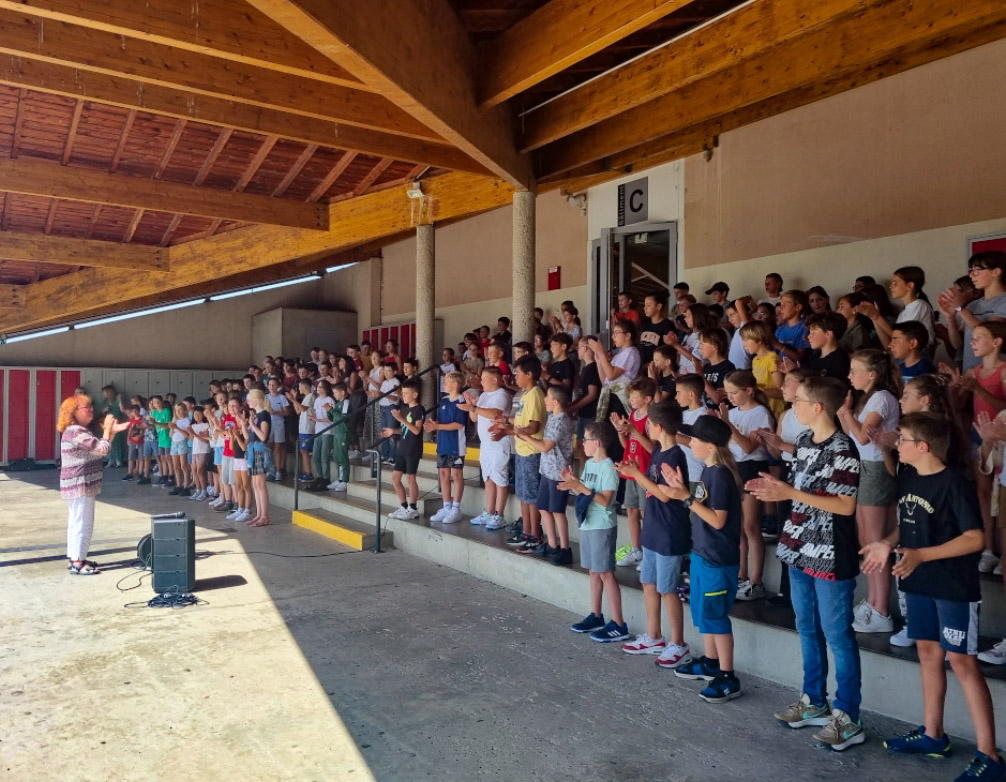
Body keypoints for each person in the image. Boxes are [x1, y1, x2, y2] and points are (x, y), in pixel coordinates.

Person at [861, 413, 1005, 782]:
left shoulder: (954, 483)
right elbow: (905, 525)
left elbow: (975, 539)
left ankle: (989, 756)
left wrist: (922, 555)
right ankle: (932, 734)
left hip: (953, 586)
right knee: (927, 653)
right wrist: (886, 543)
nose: (897, 442)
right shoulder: (909, 477)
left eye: (903, 438)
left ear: (922, 447)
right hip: (917, 580)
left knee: (962, 662)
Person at [748, 377, 863, 750]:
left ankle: (848, 717)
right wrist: (773, 488)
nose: (792, 406)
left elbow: (845, 505)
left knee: (837, 634)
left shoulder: (844, 447)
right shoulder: (802, 442)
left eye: (798, 401)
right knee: (807, 628)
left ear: (817, 407)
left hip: (830, 553)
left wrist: (788, 492)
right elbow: (801, 491)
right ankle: (814, 700)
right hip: (797, 548)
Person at [663, 415, 743, 703]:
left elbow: (718, 520)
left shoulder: (720, 474)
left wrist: (686, 497)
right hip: (703, 554)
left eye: (695, 439)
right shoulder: (709, 471)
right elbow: (697, 505)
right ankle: (711, 662)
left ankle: (728, 675)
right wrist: (680, 490)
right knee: (703, 611)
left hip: (718, 559)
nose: (691, 442)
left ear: (710, 446)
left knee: (716, 615)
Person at [618, 402, 693, 668]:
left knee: (667, 589)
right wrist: (635, 468)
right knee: (649, 583)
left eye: (648, 423)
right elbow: (652, 452)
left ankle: (679, 644)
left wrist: (637, 474)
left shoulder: (675, 456)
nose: (645, 427)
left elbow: (663, 493)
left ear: (658, 426)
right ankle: (654, 636)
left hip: (669, 531)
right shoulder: (661, 448)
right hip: (653, 528)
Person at [839, 349, 901, 633]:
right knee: (865, 537)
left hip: (877, 470)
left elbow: (864, 435)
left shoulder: (882, 397)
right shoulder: (870, 398)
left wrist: (848, 413)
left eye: (855, 370)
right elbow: (853, 435)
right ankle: (873, 602)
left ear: (872, 374)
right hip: (865, 466)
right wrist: (845, 414)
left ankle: (882, 610)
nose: (850, 376)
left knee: (875, 541)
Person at [944, 321, 1006, 574]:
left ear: (996, 342)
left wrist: (978, 389)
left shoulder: (1003, 371)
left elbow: (1005, 409)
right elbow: (957, 406)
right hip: (979, 436)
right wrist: (953, 385)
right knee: (982, 493)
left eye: (979, 337)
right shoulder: (973, 371)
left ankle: (1002, 553)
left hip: (1002, 436)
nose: (973, 342)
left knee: (1000, 494)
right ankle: (988, 549)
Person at [562, 423, 627, 642]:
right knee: (593, 571)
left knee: (605, 573)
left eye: (586, 440)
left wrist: (582, 488)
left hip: (602, 525)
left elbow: (606, 501)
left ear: (597, 443)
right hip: (588, 523)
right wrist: (573, 484)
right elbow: (583, 491)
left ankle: (619, 623)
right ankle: (596, 614)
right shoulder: (589, 464)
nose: (583, 443)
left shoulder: (608, 468)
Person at [58, 394, 127, 575]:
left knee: (76, 522)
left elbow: (96, 451)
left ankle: (74, 558)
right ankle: (78, 563)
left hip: (77, 484)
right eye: (86, 407)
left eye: (91, 406)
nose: (91, 410)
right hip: (81, 483)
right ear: (74, 412)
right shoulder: (76, 431)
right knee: (83, 523)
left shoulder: (76, 431)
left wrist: (110, 433)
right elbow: (101, 449)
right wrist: (108, 430)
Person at [720, 370, 774, 601]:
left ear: (749, 391)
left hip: (752, 468)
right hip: (734, 468)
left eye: (734, 392)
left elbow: (749, 448)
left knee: (751, 526)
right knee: (738, 526)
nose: (730, 397)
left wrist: (728, 424)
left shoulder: (760, 413)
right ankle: (741, 574)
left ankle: (757, 580)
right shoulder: (732, 412)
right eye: (728, 392)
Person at [515, 386, 576, 565]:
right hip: (547, 470)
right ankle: (551, 544)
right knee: (543, 507)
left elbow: (545, 446)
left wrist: (524, 436)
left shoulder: (561, 420)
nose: (545, 401)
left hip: (559, 473)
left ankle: (565, 549)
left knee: (557, 511)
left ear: (555, 402)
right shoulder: (552, 417)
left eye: (547, 398)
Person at [611, 377, 657, 569]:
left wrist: (634, 431)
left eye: (634, 396)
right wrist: (620, 431)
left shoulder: (652, 418)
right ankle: (636, 549)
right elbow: (627, 445)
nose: (631, 400)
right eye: (630, 396)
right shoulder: (633, 416)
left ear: (647, 399)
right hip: (630, 469)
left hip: (645, 471)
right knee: (630, 509)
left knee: (646, 512)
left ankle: (649, 552)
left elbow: (653, 448)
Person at [501, 357, 545, 539]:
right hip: (521, 451)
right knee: (523, 495)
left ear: (529, 374)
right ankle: (526, 531)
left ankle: (534, 534)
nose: (515, 377)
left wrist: (509, 432)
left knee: (531, 497)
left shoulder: (535, 394)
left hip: (531, 453)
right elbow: (520, 421)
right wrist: (504, 423)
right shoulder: (525, 394)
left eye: (518, 373)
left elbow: (533, 427)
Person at [939, 251, 1006, 371]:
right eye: (971, 270)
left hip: (995, 376)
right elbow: (958, 344)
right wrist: (950, 317)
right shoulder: (973, 305)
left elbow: (990, 335)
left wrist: (960, 308)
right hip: (970, 374)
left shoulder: (1003, 301)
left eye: (977, 270)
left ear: (996, 272)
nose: (971, 275)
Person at [462, 367, 512, 528]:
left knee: (500, 478)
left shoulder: (502, 395)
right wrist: (471, 406)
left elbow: (495, 414)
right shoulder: (483, 395)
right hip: (486, 444)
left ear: (495, 380)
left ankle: (499, 514)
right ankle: (489, 512)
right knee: (488, 478)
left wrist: (474, 408)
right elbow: (474, 417)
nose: (481, 381)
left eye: (484, 378)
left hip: (498, 443)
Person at [426, 370, 468, 524]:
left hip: (456, 444)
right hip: (443, 442)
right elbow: (440, 422)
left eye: (447, 382)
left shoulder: (462, 401)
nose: (444, 384)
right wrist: (433, 424)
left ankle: (456, 508)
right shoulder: (443, 401)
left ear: (456, 384)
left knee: (456, 475)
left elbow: (458, 424)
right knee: (443, 474)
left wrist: (438, 426)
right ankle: (446, 506)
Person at [384, 379, 425, 520]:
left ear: (415, 395)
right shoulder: (405, 409)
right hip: (402, 447)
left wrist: (402, 419)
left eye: (406, 393)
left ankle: (413, 508)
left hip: (413, 448)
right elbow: (405, 430)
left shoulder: (419, 409)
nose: (404, 396)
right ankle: (403, 506)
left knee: (410, 478)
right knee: (395, 477)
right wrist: (393, 431)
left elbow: (416, 431)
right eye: (402, 393)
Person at [866, 266, 936, 349]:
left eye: (895, 283)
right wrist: (874, 318)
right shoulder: (903, 313)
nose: (891, 286)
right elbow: (890, 345)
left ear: (910, 285)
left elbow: (901, 337)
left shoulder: (919, 305)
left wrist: (877, 317)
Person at [243, 389, 272, 527]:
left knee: (260, 485)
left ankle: (265, 516)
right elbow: (248, 436)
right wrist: (245, 424)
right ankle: (259, 515)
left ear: (257, 399)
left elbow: (263, 436)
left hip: (260, 450)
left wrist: (252, 424)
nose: (248, 402)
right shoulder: (255, 415)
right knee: (255, 485)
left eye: (250, 399)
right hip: (253, 450)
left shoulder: (264, 415)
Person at [801, 312, 851, 381]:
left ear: (828, 334)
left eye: (813, 332)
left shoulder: (840, 358)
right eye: (810, 332)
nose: (809, 336)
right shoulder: (814, 356)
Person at [325, 383, 352, 493]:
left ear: (343, 392)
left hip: (343, 432)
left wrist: (332, 410)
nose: (334, 394)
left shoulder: (346, 402)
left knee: (343, 456)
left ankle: (344, 480)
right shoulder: (337, 404)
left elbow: (343, 418)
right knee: (337, 456)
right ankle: (339, 479)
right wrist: (329, 411)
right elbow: (333, 418)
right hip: (336, 432)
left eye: (335, 392)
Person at [288, 378, 316, 483]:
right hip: (303, 428)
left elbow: (304, 409)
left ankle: (309, 473)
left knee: (304, 450)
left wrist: (292, 399)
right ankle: (306, 472)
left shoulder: (311, 396)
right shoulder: (305, 398)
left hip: (308, 428)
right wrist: (294, 399)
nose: (299, 389)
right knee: (302, 450)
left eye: (299, 386)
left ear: (304, 387)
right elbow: (298, 411)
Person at [310, 380, 335, 490]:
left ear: (326, 389)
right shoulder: (317, 400)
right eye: (318, 387)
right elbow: (315, 412)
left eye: (321, 387)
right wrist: (313, 417)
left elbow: (332, 417)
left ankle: (326, 478)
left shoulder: (330, 400)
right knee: (316, 455)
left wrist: (318, 419)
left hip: (327, 430)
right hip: (318, 430)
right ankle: (319, 476)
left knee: (324, 455)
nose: (318, 389)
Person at [774, 290, 810, 363]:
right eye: (781, 304)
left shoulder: (804, 328)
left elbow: (799, 358)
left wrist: (777, 344)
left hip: (797, 371)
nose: (781, 308)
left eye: (785, 304)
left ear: (798, 307)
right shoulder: (780, 329)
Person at [265, 377, 290, 481]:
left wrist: (276, 412)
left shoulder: (282, 397)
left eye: (274, 385)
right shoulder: (265, 397)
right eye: (270, 385)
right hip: (267, 424)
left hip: (279, 424)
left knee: (278, 446)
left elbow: (287, 412)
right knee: (269, 446)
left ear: (278, 386)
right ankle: (271, 470)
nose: (271, 387)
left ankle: (279, 470)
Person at [188, 406, 211, 501]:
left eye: (199, 414)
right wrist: (191, 434)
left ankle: (204, 491)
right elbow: (192, 439)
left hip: (204, 450)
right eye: (195, 414)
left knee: (200, 471)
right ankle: (198, 490)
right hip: (195, 450)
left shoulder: (206, 425)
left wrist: (195, 434)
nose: (196, 416)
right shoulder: (193, 426)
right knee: (195, 471)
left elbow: (206, 441)